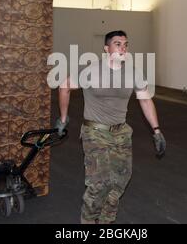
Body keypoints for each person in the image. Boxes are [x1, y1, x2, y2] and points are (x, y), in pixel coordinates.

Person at [55, 30, 166, 224]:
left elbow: (146, 101)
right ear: (106, 48)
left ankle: (106, 221)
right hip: (95, 132)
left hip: (121, 133)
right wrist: (63, 118)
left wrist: (157, 130)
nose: (122, 48)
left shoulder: (133, 73)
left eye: (125, 44)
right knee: (99, 183)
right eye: (117, 44)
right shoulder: (91, 71)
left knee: (120, 181)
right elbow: (64, 87)